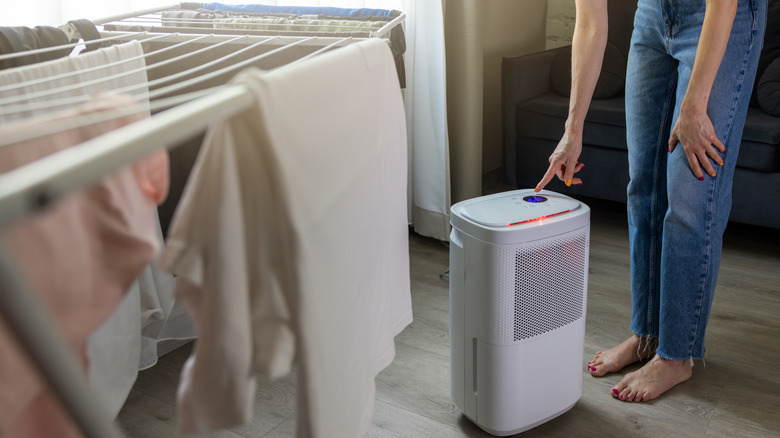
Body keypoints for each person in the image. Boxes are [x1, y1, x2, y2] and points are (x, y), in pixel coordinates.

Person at [534, 0, 767, 402]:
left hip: (720, 15)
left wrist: (694, 105)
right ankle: (646, 336)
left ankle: (676, 356)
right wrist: (572, 129)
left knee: (690, 195)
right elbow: (589, 22)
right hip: (653, 16)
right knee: (642, 187)